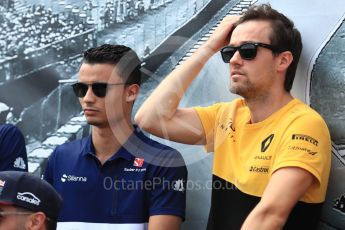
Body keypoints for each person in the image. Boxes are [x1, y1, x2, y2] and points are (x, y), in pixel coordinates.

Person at [135, 4, 331, 230]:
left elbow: (269, 216)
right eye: (229, 52)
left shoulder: (304, 124)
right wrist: (209, 46)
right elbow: (150, 118)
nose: (235, 60)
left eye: (249, 50)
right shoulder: (227, 115)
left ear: (283, 60)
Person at [44, 44, 187, 229]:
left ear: (131, 92)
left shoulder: (164, 162)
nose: (87, 98)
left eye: (100, 89)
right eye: (81, 88)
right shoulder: (60, 157)